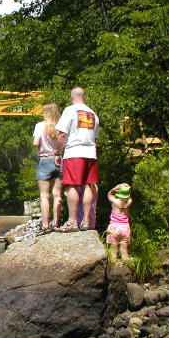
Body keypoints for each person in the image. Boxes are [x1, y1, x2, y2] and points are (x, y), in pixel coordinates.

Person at [54, 87, 100, 232]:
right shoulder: (93, 113)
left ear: (72, 97)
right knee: (88, 185)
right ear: (83, 97)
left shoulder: (70, 110)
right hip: (91, 153)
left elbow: (62, 135)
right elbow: (95, 136)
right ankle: (85, 221)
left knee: (72, 185)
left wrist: (57, 152)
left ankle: (72, 221)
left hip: (74, 152)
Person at [33, 103, 63, 234]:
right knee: (57, 195)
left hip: (44, 160)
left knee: (44, 196)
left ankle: (45, 226)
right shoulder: (61, 126)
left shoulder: (40, 126)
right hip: (59, 160)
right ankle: (56, 223)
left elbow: (35, 143)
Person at [107, 183, 133, 260]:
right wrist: (126, 188)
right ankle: (125, 261)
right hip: (125, 228)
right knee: (124, 250)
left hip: (114, 228)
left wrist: (114, 188)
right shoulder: (129, 202)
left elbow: (109, 194)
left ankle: (113, 262)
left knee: (113, 249)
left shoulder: (114, 201)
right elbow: (128, 196)